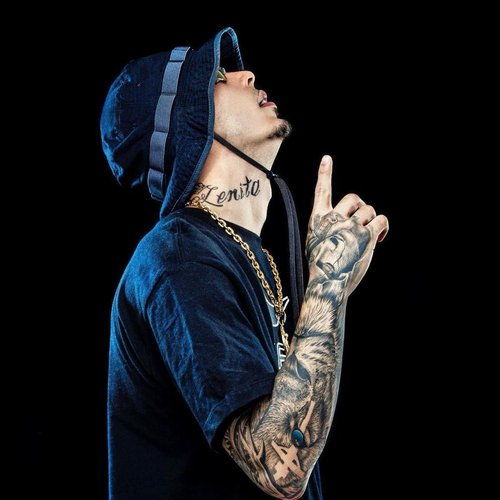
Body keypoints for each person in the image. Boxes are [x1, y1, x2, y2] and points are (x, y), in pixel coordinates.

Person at [100, 27, 388, 500]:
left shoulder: (239, 254)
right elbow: (280, 466)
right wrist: (328, 283)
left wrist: (331, 290)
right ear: (186, 121)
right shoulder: (177, 259)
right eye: (217, 77)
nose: (246, 74)